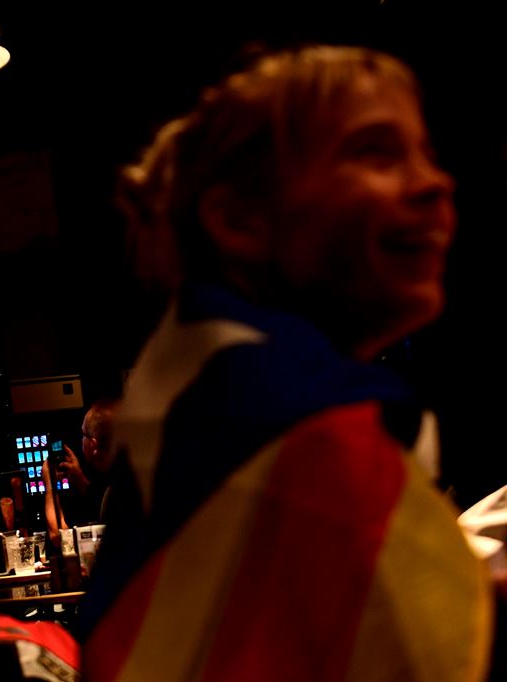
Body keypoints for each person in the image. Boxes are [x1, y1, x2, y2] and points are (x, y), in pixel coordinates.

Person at [79, 45, 495, 680]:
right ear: (240, 219)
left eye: (428, 155)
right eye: (377, 152)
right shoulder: (306, 436)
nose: (436, 183)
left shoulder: (201, 409)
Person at [42, 400, 118, 548]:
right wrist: (79, 479)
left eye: (84, 435)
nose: (81, 439)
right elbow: (99, 500)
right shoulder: (121, 478)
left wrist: (50, 485)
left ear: (93, 444)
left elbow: (60, 537)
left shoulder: (117, 492)